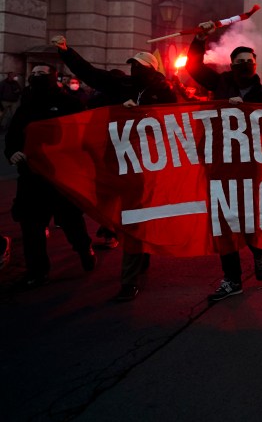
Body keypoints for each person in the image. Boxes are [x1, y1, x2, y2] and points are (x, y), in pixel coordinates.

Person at [52, 35, 177, 301]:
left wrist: (143, 112)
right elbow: (89, 72)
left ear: (152, 69)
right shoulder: (120, 83)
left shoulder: (163, 91)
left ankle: (129, 279)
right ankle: (123, 240)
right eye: (133, 65)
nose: (135, 69)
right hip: (114, 158)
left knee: (135, 216)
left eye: (140, 66)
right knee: (112, 208)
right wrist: (66, 51)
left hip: (146, 162)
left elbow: (174, 120)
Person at [188, 20, 262, 301]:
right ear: (231, 64)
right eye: (238, 61)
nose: (243, 64)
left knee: (247, 217)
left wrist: (248, 113)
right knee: (223, 219)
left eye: (248, 60)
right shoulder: (220, 83)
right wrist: (200, 38)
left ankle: (257, 250)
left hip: (249, 164)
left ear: (254, 63)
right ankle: (232, 279)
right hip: (218, 161)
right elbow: (193, 67)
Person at [4, 63, 96, 288]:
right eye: (33, 73)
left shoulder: (70, 104)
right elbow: (13, 134)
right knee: (31, 224)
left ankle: (84, 249)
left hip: (60, 177)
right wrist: (12, 153)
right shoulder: (26, 105)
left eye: (41, 74)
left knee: (70, 221)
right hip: (31, 176)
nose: (35, 76)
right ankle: (37, 271)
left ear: (53, 77)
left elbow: (83, 134)